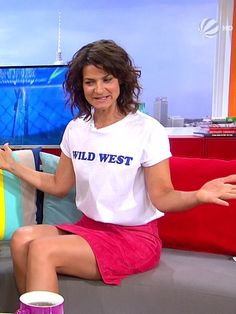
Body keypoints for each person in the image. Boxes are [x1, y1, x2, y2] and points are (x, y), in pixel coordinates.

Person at [0, 39, 236, 295]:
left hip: (133, 238)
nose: (99, 89)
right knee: (22, 238)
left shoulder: (147, 129)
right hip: (88, 227)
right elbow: (59, 186)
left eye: (107, 79)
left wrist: (199, 195)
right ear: (80, 86)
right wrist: (14, 167)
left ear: (122, 81)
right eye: (90, 82)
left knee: (42, 249)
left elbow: (163, 197)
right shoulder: (76, 129)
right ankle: (30, 310)